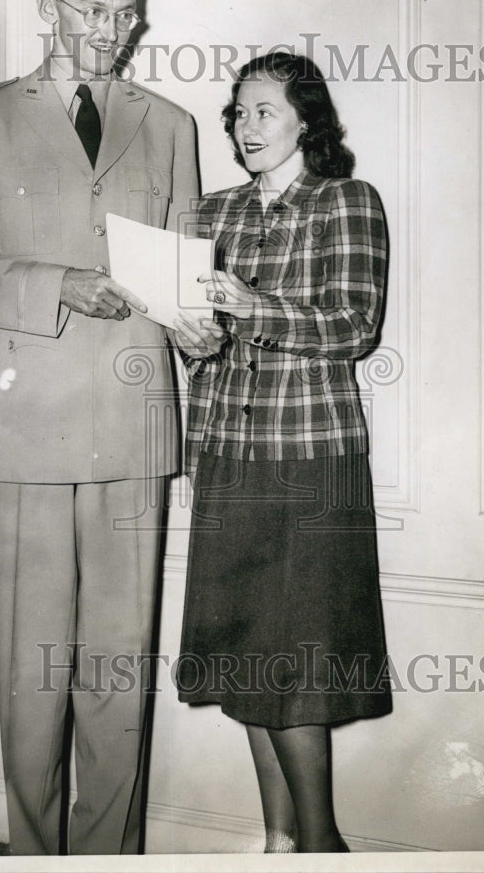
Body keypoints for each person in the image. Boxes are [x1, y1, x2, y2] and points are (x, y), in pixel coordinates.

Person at [0, 0, 199, 856]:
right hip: (25, 429)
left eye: (126, 13)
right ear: (48, 9)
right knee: (33, 674)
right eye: (92, 9)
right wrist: (54, 284)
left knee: (118, 677)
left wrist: (207, 321)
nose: (111, 30)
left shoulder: (170, 124)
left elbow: (183, 282)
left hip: (135, 423)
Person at [172, 51, 393, 854]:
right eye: (237, 112)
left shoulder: (346, 202)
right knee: (244, 662)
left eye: (263, 110)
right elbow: (199, 340)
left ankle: (322, 844)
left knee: (294, 669)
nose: (245, 126)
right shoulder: (208, 214)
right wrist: (189, 335)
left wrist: (254, 307)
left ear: (307, 120)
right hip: (226, 457)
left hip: (309, 459)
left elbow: (353, 326)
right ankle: (278, 846)